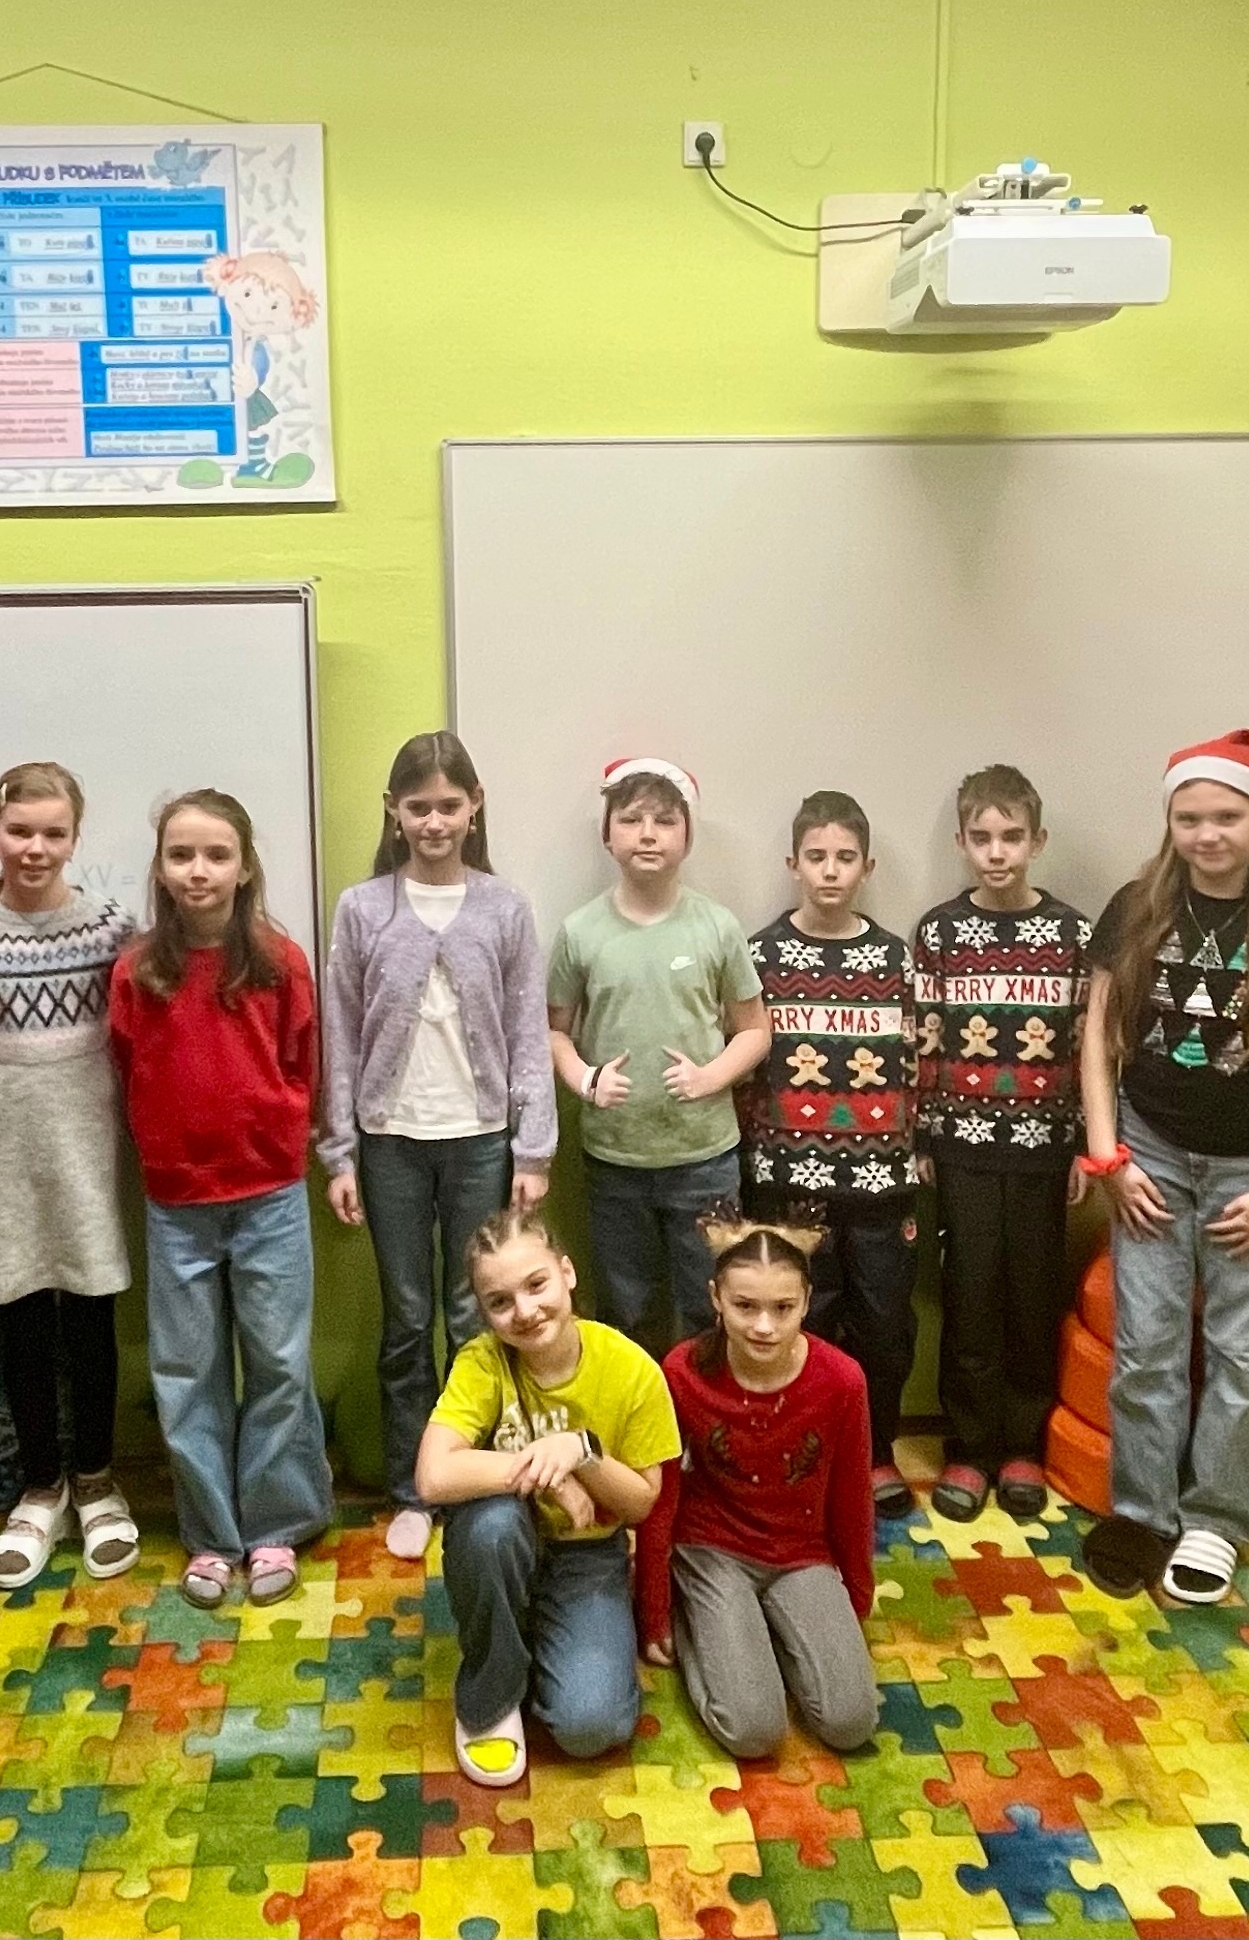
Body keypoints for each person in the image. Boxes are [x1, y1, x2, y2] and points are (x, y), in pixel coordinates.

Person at [1079, 730, 1249, 1606]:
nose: (1207, 834)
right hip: (1149, 1154)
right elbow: (1096, 1040)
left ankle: (1215, 1520)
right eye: (1188, 817)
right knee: (1146, 1346)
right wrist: (1108, 1155)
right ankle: (1141, 1510)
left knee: (1241, 1353)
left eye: (1226, 816)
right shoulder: (1134, 908)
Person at [321, 732, 555, 1564]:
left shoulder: (504, 908)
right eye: (417, 806)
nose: (433, 821)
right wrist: (339, 1151)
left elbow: (527, 1032)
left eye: (448, 805)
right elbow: (340, 1034)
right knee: (407, 1319)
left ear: (474, 805)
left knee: (471, 1318)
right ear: (393, 810)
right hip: (389, 1141)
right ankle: (412, 1485)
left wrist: (533, 1149)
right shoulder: (363, 908)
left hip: (480, 1140)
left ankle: (471, 1479)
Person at [109, 788, 329, 1609]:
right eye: (180, 855)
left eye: (215, 854)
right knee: (185, 1370)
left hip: (268, 1193)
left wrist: (281, 1132)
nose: (197, 870)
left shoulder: (279, 962)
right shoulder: (137, 970)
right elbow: (127, 1066)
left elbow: (303, 1060)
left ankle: (275, 1523)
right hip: (177, 1201)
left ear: (243, 868)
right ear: (161, 869)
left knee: (278, 1362)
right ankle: (210, 1534)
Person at [0, 762, 139, 1589]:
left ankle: (96, 1480)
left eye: (53, 833)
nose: (35, 847)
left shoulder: (112, 931)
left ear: (74, 838)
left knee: (90, 1313)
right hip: (7, 1150)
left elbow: (128, 1034)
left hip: (87, 1147)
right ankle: (40, 1485)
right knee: (20, 1316)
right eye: (19, 831)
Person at [417, 1207, 680, 1787]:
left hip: (588, 1554)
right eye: (500, 1301)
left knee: (592, 1727)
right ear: (483, 1311)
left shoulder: (631, 1369)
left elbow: (640, 1504)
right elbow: (433, 1476)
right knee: (492, 1527)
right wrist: (543, 1470)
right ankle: (490, 1696)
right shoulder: (483, 1361)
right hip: (506, 1537)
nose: (525, 1311)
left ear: (567, 1273)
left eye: (537, 1284)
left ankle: (536, 1632)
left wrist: (582, 1450)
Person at [911, 764, 1096, 1523]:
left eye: (1011, 837)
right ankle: (968, 1444)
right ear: (962, 842)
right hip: (961, 1146)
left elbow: (1087, 1046)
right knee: (970, 1293)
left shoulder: (1074, 934)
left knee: (1031, 1294)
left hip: (1044, 1147)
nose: (997, 852)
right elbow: (923, 1039)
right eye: (982, 837)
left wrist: (1083, 1142)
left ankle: (1022, 1442)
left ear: (1036, 841)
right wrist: (921, 1135)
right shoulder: (939, 932)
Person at [635, 1218, 879, 1758]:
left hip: (801, 1554)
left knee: (851, 1722)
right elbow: (662, 1497)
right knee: (753, 1731)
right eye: (745, 1306)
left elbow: (852, 1499)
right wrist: (654, 1609)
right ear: (716, 1299)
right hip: (711, 1549)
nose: (764, 1326)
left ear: (807, 1302)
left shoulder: (842, 1380)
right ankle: (706, 1622)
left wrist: (856, 1601)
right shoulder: (681, 1371)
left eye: (782, 1308)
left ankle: (763, 1633)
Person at [547, 757, 770, 1349]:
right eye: (631, 819)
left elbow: (755, 1029)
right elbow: (553, 1031)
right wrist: (585, 1079)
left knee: (708, 1309)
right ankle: (638, 1413)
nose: (647, 834)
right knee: (626, 1312)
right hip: (614, 1160)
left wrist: (711, 1076)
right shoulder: (580, 932)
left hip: (704, 1159)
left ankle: (701, 1411)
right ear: (608, 834)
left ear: (687, 836)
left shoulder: (717, 927)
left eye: (665, 821)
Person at [740, 791, 920, 1520]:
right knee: (799, 1320)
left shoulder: (896, 957)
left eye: (845, 857)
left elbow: (918, 1058)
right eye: (816, 856)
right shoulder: (760, 955)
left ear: (866, 867)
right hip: (788, 1180)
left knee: (883, 1323)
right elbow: (744, 1062)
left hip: (881, 1180)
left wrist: (916, 1150)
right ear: (793, 864)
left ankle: (873, 1450)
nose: (830, 870)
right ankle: (801, 1446)